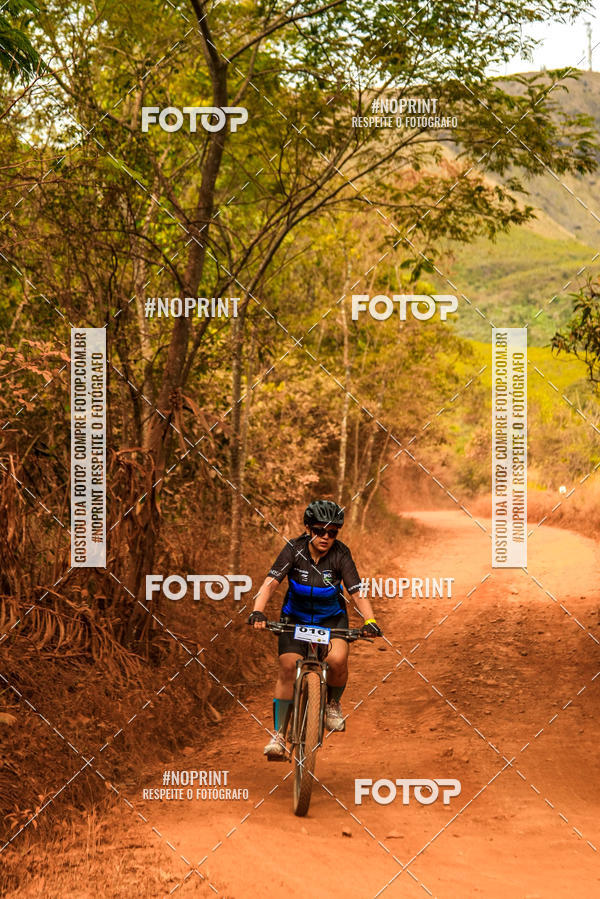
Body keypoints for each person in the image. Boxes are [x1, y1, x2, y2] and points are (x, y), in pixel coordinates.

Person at [248, 499, 382, 760]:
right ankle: (278, 734)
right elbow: (271, 583)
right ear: (308, 529)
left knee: (338, 660)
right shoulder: (294, 549)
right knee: (288, 667)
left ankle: (332, 704)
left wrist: (370, 621)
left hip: (330, 620)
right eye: (320, 530)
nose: (326, 537)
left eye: (332, 532)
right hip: (295, 618)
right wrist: (258, 611)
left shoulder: (341, 554)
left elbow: (356, 593)